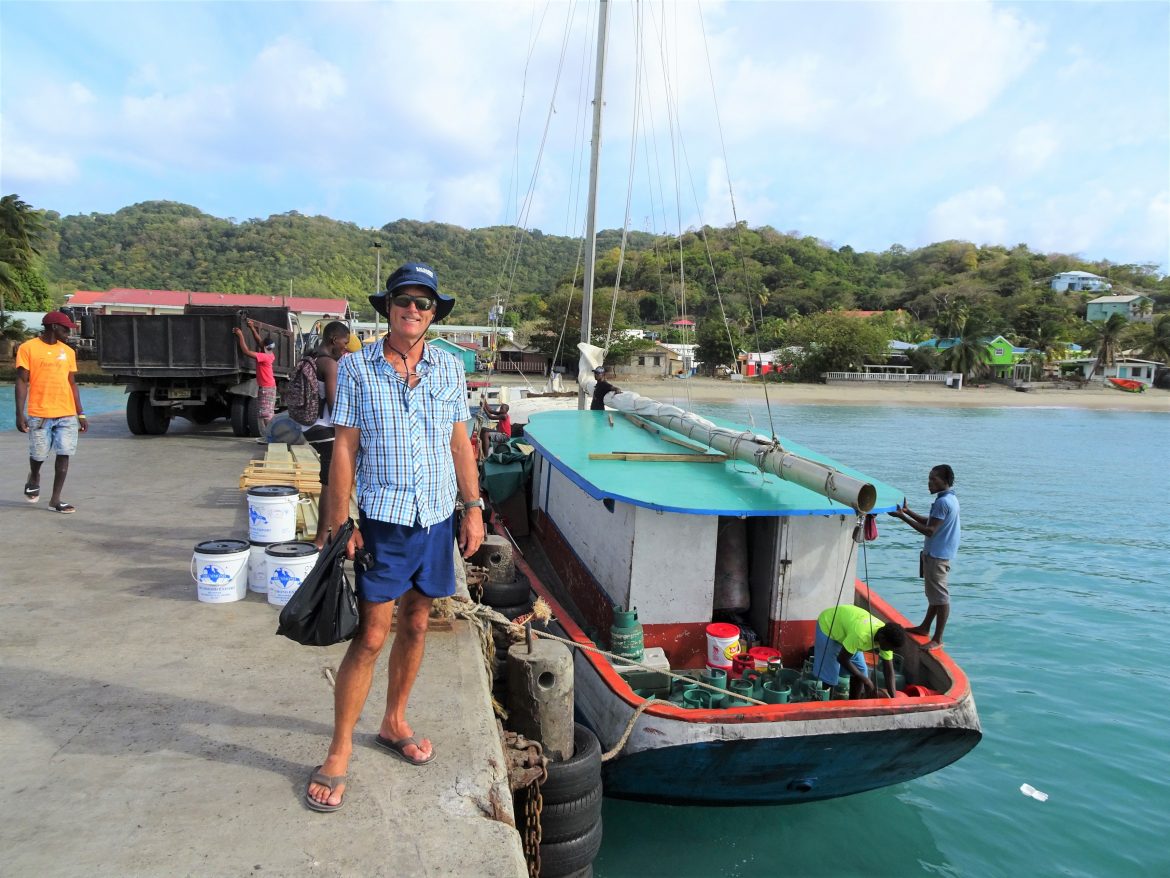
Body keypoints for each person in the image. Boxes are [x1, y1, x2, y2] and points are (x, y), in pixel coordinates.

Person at [305, 262, 485, 812]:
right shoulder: (356, 369)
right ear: (388, 307)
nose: (413, 309)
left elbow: (460, 444)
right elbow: (344, 450)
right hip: (382, 519)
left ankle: (394, 720)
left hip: (435, 518)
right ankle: (338, 750)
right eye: (403, 299)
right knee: (373, 633)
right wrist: (339, 522)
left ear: (434, 314)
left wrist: (473, 509)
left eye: (424, 303)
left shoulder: (449, 370)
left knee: (416, 621)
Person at [14, 311, 88, 513]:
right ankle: (35, 475)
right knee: (38, 454)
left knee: (64, 453)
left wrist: (80, 413)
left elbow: (71, 383)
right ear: (54, 327)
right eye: (66, 329)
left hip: (66, 412)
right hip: (39, 412)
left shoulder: (68, 352)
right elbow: (21, 381)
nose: (68, 333)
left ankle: (55, 500)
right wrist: (19, 413)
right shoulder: (28, 348)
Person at [888, 464, 961, 649]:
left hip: (937, 556)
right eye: (929, 479)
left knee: (941, 597)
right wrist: (907, 511)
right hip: (938, 554)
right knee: (934, 595)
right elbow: (930, 521)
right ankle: (925, 627)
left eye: (933, 479)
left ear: (945, 481)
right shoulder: (949, 499)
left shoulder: (943, 502)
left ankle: (938, 638)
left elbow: (929, 530)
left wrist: (902, 518)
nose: (929, 483)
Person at [302, 321, 352, 548]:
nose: (345, 347)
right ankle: (323, 538)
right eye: (344, 342)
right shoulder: (330, 364)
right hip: (324, 428)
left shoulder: (311, 356)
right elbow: (334, 406)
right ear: (334, 339)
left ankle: (324, 535)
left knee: (328, 482)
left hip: (309, 426)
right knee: (333, 483)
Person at [811, 604, 905, 699]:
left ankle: (853, 704)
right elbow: (842, 658)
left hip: (849, 634)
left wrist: (893, 698)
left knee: (861, 672)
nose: (890, 651)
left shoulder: (888, 639)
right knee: (830, 677)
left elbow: (889, 671)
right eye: (890, 648)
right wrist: (867, 681)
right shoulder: (861, 634)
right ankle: (825, 704)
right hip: (829, 626)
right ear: (882, 638)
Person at [232, 319, 277, 442]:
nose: (260, 344)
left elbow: (246, 351)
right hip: (269, 386)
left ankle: (272, 436)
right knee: (266, 413)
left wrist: (240, 335)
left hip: (267, 388)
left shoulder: (264, 357)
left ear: (264, 348)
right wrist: (252, 328)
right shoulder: (270, 354)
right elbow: (259, 341)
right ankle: (270, 436)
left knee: (265, 414)